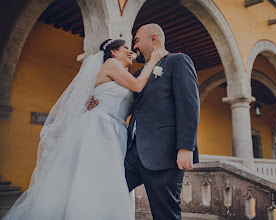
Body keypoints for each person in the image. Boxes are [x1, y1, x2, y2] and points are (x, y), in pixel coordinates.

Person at [2, 39, 167, 220]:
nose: (130, 51)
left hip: (117, 131)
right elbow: (137, 85)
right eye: (125, 48)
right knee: (91, 177)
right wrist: (153, 60)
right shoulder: (111, 64)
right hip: (100, 127)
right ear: (113, 52)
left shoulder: (122, 73)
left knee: (107, 182)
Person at [90, 23, 200, 220]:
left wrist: (186, 146)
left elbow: (189, 104)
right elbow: (127, 105)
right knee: (108, 193)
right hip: (134, 153)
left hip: (165, 154)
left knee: (164, 214)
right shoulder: (140, 74)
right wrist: (99, 102)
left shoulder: (178, 61)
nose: (134, 47)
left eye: (137, 40)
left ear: (153, 39)